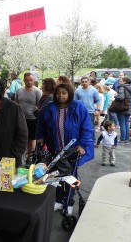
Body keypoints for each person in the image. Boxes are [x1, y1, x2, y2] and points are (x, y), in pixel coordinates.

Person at [36, 83, 94, 214]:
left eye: (64, 93)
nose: (60, 95)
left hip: (72, 150)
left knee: (70, 177)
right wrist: (40, 137)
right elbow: (41, 125)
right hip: (54, 149)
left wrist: (82, 145)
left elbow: (86, 128)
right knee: (54, 177)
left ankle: (68, 203)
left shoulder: (78, 107)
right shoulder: (49, 108)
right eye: (58, 93)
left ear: (69, 94)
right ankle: (57, 200)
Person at [15, 73, 42, 152]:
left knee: (32, 138)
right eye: (27, 80)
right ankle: (23, 154)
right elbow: (16, 102)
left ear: (33, 80)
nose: (29, 82)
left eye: (31, 80)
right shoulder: (19, 90)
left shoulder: (37, 91)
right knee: (21, 137)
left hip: (32, 118)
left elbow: (39, 105)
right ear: (24, 80)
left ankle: (30, 156)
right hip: (21, 118)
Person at [75, 77, 100, 141]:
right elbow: (75, 101)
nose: (84, 83)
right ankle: (82, 139)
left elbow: (98, 101)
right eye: (83, 82)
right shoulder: (77, 91)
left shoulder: (94, 90)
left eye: (86, 81)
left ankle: (92, 140)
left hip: (90, 111)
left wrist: (97, 110)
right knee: (80, 126)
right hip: (80, 111)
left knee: (91, 126)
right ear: (81, 82)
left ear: (89, 82)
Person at [115, 76, 131, 144]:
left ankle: (122, 139)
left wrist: (116, 96)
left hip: (122, 108)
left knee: (122, 124)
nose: (119, 81)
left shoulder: (122, 87)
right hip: (129, 108)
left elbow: (121, 97)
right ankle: (126, 139)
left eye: (121, 80)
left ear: (125, 82)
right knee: (126, 124)